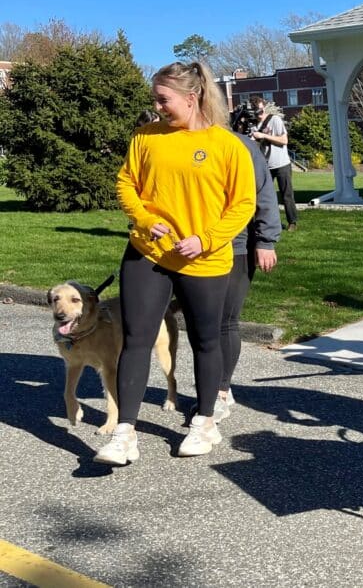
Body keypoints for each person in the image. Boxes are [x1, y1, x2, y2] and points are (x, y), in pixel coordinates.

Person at [95, 61, 256, 465]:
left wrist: (205, 239)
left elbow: (243, 204)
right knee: (136, 339)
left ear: (192, 97)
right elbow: (125, 183)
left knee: (206, 340)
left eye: (164, 99)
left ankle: (204, 422)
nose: (158, 106)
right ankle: (124, 434)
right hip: (147, 252)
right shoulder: (146, 137)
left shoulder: (226, 145)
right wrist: (147, 220)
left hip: (205, 259)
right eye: (156, 99)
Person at [214, 130, 282, 422]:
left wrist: (266, 241)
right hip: (190, 248)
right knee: (203, 324)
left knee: (225, 320)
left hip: (236, 246)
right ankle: (211, 388)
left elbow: (263, 191)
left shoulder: (241, 145)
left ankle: (221, 391)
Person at [250, 97, 298, 231]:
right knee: (265, 197)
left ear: (264, 107)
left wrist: (263, 136)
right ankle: (270, 223)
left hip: (281, 164)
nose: (258, 112)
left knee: (286, 195)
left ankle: (292, 222)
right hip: (265, 166)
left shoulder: (274, 120)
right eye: (255, 110)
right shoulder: (253, 126)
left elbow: (284, 140)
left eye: (259, 109)